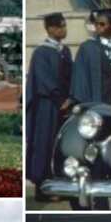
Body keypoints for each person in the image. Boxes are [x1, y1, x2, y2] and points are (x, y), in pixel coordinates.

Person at [26, 12, 73, 189]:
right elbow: (44, 80)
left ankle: (59, 181)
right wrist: (60, 99)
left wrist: (71, 98)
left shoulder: (65, 50)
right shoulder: (41, 52)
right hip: (47, 105)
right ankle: (41, 184)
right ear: (50, 29)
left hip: (65, 104)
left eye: (65, 25)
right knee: (44, 142)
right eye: (61, 26)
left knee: (61, 143)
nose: (64, 29)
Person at [70, 9, 111, 104]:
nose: (98, 27)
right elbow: (80, 78)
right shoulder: (88, 48)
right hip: (99, 100)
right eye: (96, 24)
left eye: (102, 24)